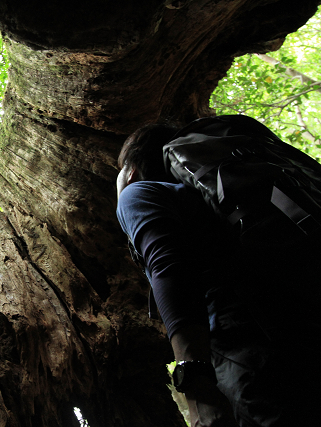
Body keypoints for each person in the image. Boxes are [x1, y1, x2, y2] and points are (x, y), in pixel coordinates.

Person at [115, 122, 320, 427]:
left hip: (250, 344)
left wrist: (197, 386)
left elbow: (169, 268)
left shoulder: (139, 192)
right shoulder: (224, 197)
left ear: (130, 170)